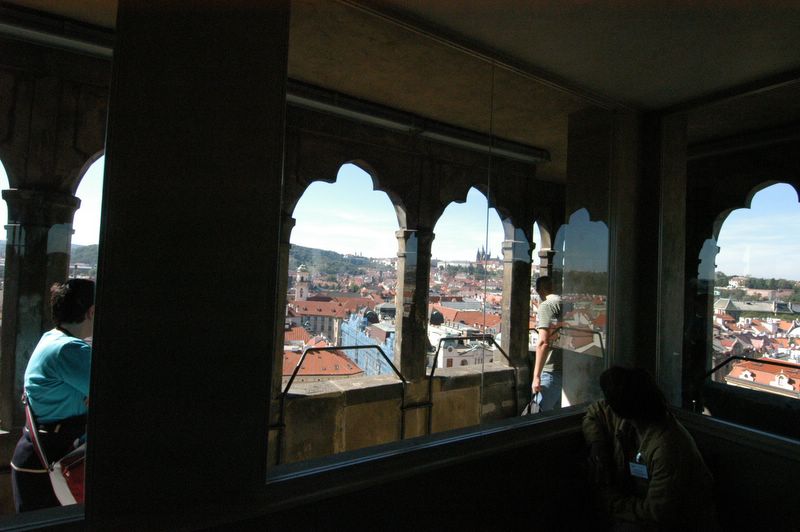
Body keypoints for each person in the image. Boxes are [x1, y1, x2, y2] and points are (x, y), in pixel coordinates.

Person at [582, 366, 717, 531]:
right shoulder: (634, 419)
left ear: (621, 408)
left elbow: (656, 513)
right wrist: (597, 448)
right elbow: (594, 413)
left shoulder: (667, 449)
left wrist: (611, 501)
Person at [10, 279, 94, 512]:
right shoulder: (72, 350)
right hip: (58, 462)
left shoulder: (51, 339)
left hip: (36, 456)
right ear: (91, 311)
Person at [532, 275, 562, 411]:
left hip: (552, 369)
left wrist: (536, 376)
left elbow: (543, 342)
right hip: (568, 367)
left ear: (539, 290)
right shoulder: (564, 303)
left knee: (537, 414)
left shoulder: (546, 306)